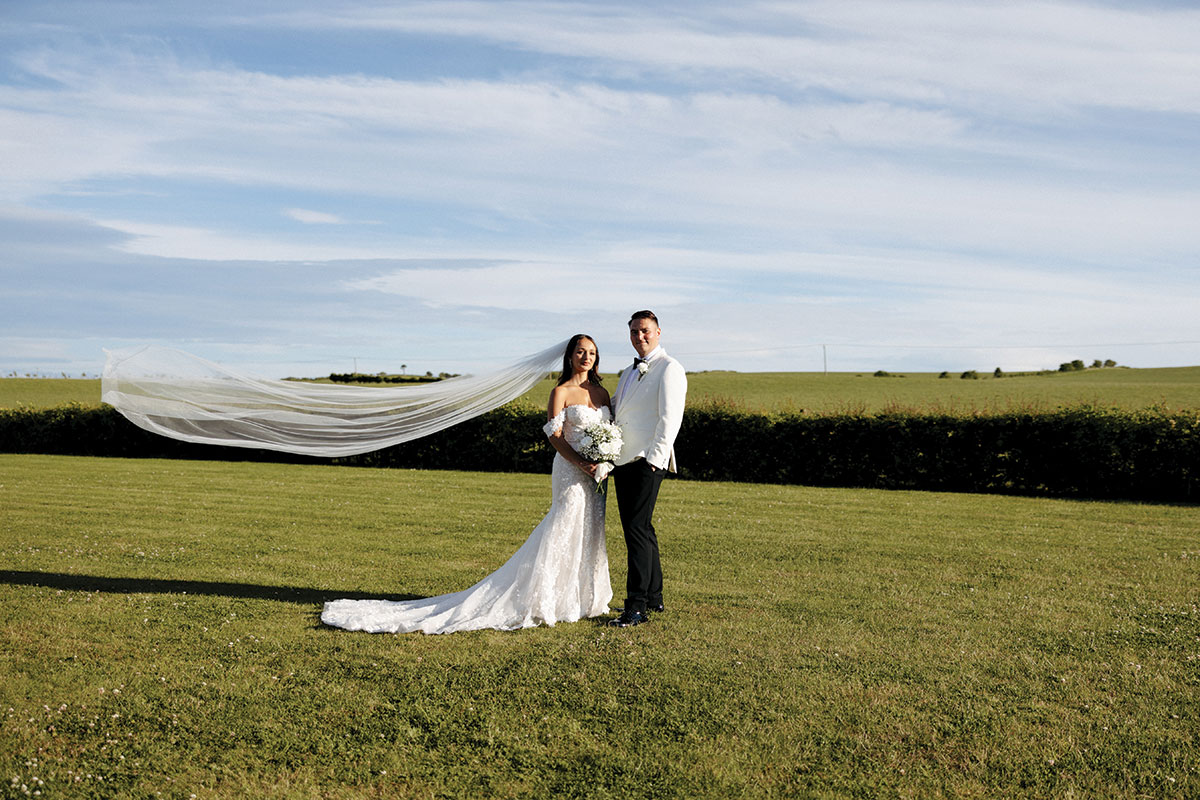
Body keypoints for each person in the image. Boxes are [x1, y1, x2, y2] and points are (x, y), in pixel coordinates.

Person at [320, 334, 613, 634]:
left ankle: (581, 598)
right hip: (569, 470)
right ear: (570, 356)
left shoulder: (602, 394)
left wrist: (604, 460)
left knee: (591, 529)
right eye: (580, 351)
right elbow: (555, 436)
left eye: (591, 352)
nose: (586, 357)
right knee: (563, 527)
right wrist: (580, 462)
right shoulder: (560, 391)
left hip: (596, 475)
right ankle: (544, 598)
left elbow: (610, 433)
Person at [609, 310, 687, 628]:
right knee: (642, 529)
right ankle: (654, 598)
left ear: (658, 332)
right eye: (633, 332)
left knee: (637, 532)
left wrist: (655, 461)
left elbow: (670, 418)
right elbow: (616, 407)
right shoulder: (628, 371)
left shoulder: (670, 368)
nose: (639, 336)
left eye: (644, 331)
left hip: (647, 461)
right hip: (623, 459)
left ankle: (636, 605)